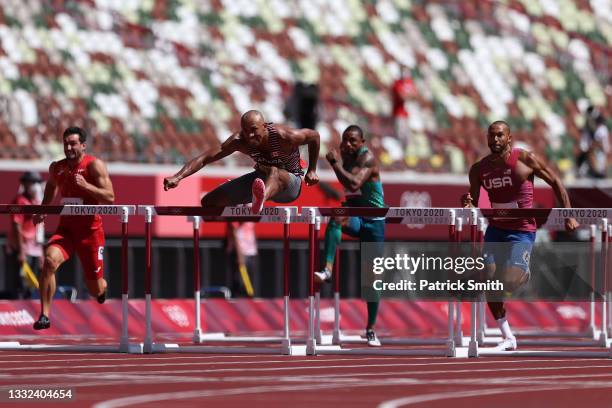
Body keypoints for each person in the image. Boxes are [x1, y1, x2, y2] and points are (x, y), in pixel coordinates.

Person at [461, 121, 578, 350]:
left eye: (499, 136)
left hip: (521, 231)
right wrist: (466, 202)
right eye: (491, 136)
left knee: (510, 282)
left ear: (509, 138)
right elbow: (472, 201)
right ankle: (508, 337)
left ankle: (523, 272)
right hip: (495, 230)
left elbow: (555, 181)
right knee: (489, 280)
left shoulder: (524, 159)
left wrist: (568, 214)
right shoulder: (479, 169)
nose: (495, 140)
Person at [32, 126, 115, 330]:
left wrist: (87, 187)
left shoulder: (94, 166)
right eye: (66, 143)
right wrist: (44, 208)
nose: (68, 147)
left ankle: (101, 288)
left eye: (73, 143)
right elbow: (51, 187)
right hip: (66, 230)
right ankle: (44, 315)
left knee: (95, 289)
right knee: (49, 261)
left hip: (90, 233)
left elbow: (110, 197)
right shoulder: (57, 168)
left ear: (83, 145)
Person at [163, 110, 320, 213]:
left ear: (264, 126)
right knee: (210, 202)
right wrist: (178, 177)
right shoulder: (239, 141)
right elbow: (205, 158)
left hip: (290, 185)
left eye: (254, 130)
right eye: (245, 131)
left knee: (274, 171)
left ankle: (259, 200)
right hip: (261, 179)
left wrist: (312, 170)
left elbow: (314, 136)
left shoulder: (285, 136)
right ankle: (254, 198)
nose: (250, 135)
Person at [314, 125, 385, 347]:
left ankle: (371, 328)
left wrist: (334, 164)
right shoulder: (345, 156)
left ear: (362, 142)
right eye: (345, 140)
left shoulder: (368, 159)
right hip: (355, 217)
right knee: (336, 216)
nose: (347, 144)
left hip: (374, 222)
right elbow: (349, 188)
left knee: (371, 280)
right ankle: (327, 269)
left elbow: (354, 183)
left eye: (353, 141)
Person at [4, 171, 44, 299]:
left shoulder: (37, 202)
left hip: (34, 249)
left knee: (31, 284)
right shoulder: (19, 200)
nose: (35, 185)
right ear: (24, 184)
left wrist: (41, 252)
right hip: (20, 248)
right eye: (32, 182)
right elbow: (17, 226)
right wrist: (21, 251)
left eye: (37, 182)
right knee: (19, 283)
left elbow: (40, 228)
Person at [391, 66, 416, 147]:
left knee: (409, 136)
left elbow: (415, 95)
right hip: (399, 113)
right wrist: (409, 96)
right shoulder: (397, 83)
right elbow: (401, 97)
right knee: (400, 134)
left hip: (409, 112)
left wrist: (408, 96)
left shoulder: (410, 82)